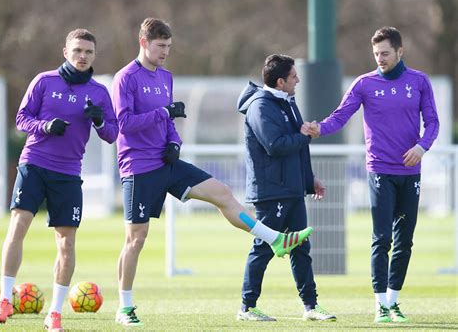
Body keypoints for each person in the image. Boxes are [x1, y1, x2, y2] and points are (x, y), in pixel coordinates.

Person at [111, 18, 314, 327]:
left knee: (221, 192)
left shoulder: (166, 77)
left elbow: (169, 124)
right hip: (138, 166)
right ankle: (124, 308)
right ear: (143, 43)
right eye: (160, 46)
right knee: (136, 239)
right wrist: (163, 113)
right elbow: (123, 124)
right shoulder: (125, 78)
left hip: (167, 162)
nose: (165, 52)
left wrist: (174, 143)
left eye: (168, 46)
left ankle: (274, 238)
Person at [303, 26, 439, 323]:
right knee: (382, 238)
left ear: (400, 51)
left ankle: (393, 301)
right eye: (376, 54)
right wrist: (319, 128)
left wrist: (421, 147)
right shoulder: (364, 84)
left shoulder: (419, 82)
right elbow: (340, 116)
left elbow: (433, 123)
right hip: (379, 170)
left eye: (385, 53)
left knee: (406, 240)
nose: (380, 58)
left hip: (410, 172)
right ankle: (380, 304)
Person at [0, 29, 118, 331]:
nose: (82, 56)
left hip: (69, 173)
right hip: (34, 165)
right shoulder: (44, 81)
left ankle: (56, 313)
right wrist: (45, 126)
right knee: (18, 226)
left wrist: (98, 118)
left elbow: (111, 134)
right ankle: (5, 299)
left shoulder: (99, 92)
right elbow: (22, 119)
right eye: (77, 51)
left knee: (66, 243)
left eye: (88, 51)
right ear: (66, 52)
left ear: (94, 55)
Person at [236, 54, 336, 322]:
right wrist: (303, 135)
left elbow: (298, 146)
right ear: (280, 82)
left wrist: (309, 179)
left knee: (301, 247)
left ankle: (311, 307)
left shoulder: (287, 102)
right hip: (271, 192)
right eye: (293, 76)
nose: (298, 80)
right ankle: (247, 307)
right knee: (264, 247)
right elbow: (275, 145)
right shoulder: (260, 106)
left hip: (292, 189)